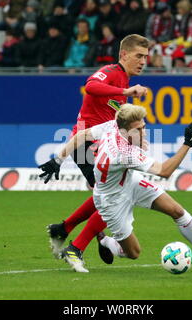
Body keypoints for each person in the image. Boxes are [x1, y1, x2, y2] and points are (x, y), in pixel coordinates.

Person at [48, 104, 192, 273]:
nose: (144, 131)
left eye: (144, 126)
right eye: (139, 129)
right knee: (133, 253)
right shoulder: (124, 153)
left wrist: (58, 160)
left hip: (130, 181)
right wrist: (187, 144)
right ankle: (106, 241)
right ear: (125, 130)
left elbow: (80, 135)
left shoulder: (112, 126)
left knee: (177, 211)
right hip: (113, 201)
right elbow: (165, 171)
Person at [39, 34, 150, 265]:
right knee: (116, 196)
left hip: (96, 145)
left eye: (145, 57)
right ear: (124, 55)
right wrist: (126, 94)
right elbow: (90, 86)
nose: (143, 61)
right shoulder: (112, 72)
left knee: (108, 195)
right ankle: (77, 246)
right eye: (138, 56)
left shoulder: (123, 81)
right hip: (86, 144)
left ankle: (64, 229)